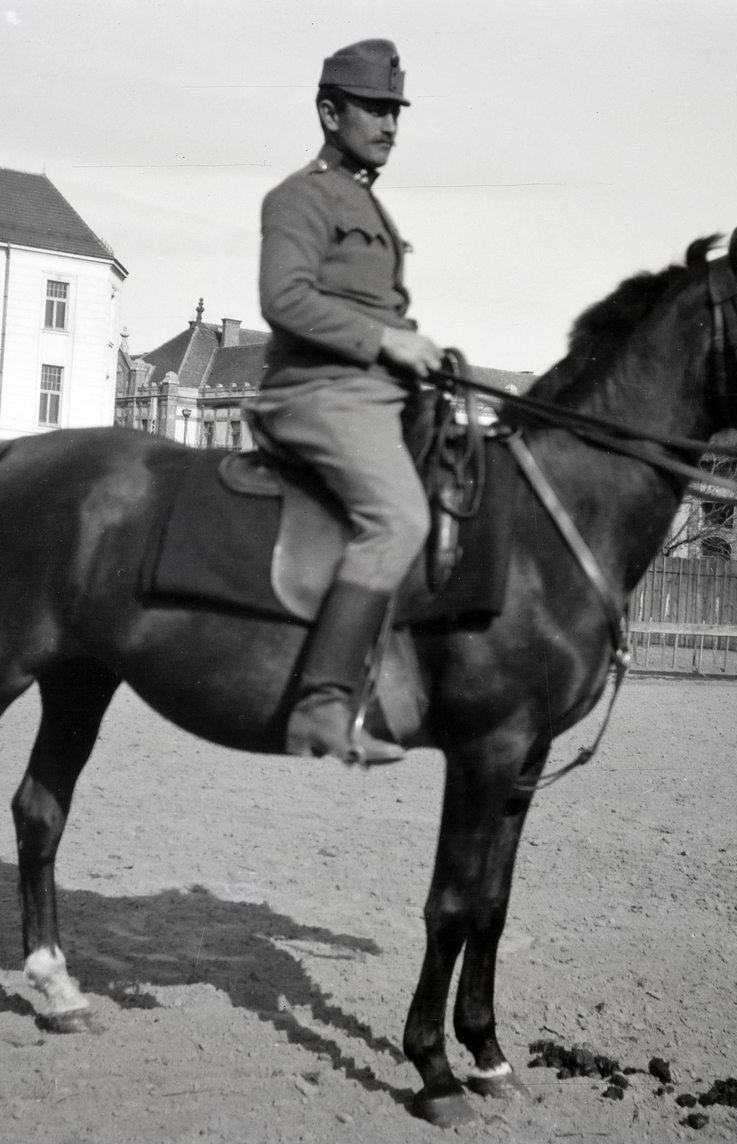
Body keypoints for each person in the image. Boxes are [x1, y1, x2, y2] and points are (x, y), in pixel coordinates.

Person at [244, 39, 444, 764]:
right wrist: (386, 343)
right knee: (399, 516)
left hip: (374, 391)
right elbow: (284, 297)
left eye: (396, 110)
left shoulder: (366, 202)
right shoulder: (301, 196)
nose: (390, 123)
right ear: (330, 112)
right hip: (316, 393)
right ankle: (323, 705)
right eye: (374, 108)